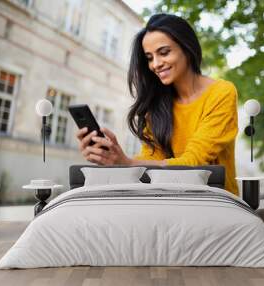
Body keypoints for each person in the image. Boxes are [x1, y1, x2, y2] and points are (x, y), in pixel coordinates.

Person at [76, 13, 239, 196]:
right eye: (149, 57)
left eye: (164, 52)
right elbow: (151, 160)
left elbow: (194, 163)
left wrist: (127, 163)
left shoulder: (221, 93)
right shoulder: (157, 104)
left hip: (218, 202)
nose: (155, 64)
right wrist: (111, 157)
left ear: (187, 47)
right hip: (169, 200)